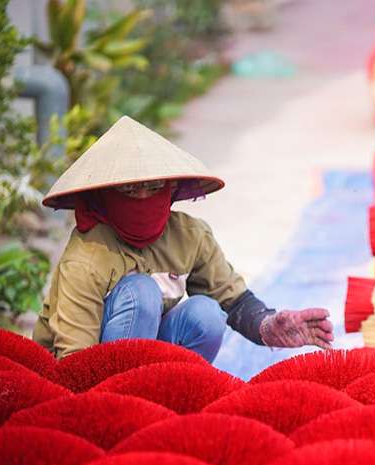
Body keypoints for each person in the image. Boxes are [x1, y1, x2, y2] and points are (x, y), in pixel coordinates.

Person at [33, 116, 334, 361]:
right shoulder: (86, 256)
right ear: (104, 197)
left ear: (171, 188)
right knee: (142, 291)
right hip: (90, 370)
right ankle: (130, 397)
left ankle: (166, 398)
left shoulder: (189, 236)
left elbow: (232, 299)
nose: (141, 197)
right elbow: (74, 358)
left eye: (153, 187)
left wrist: (268, 326)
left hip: (148, 355)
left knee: (206, 312)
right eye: (127, 190)